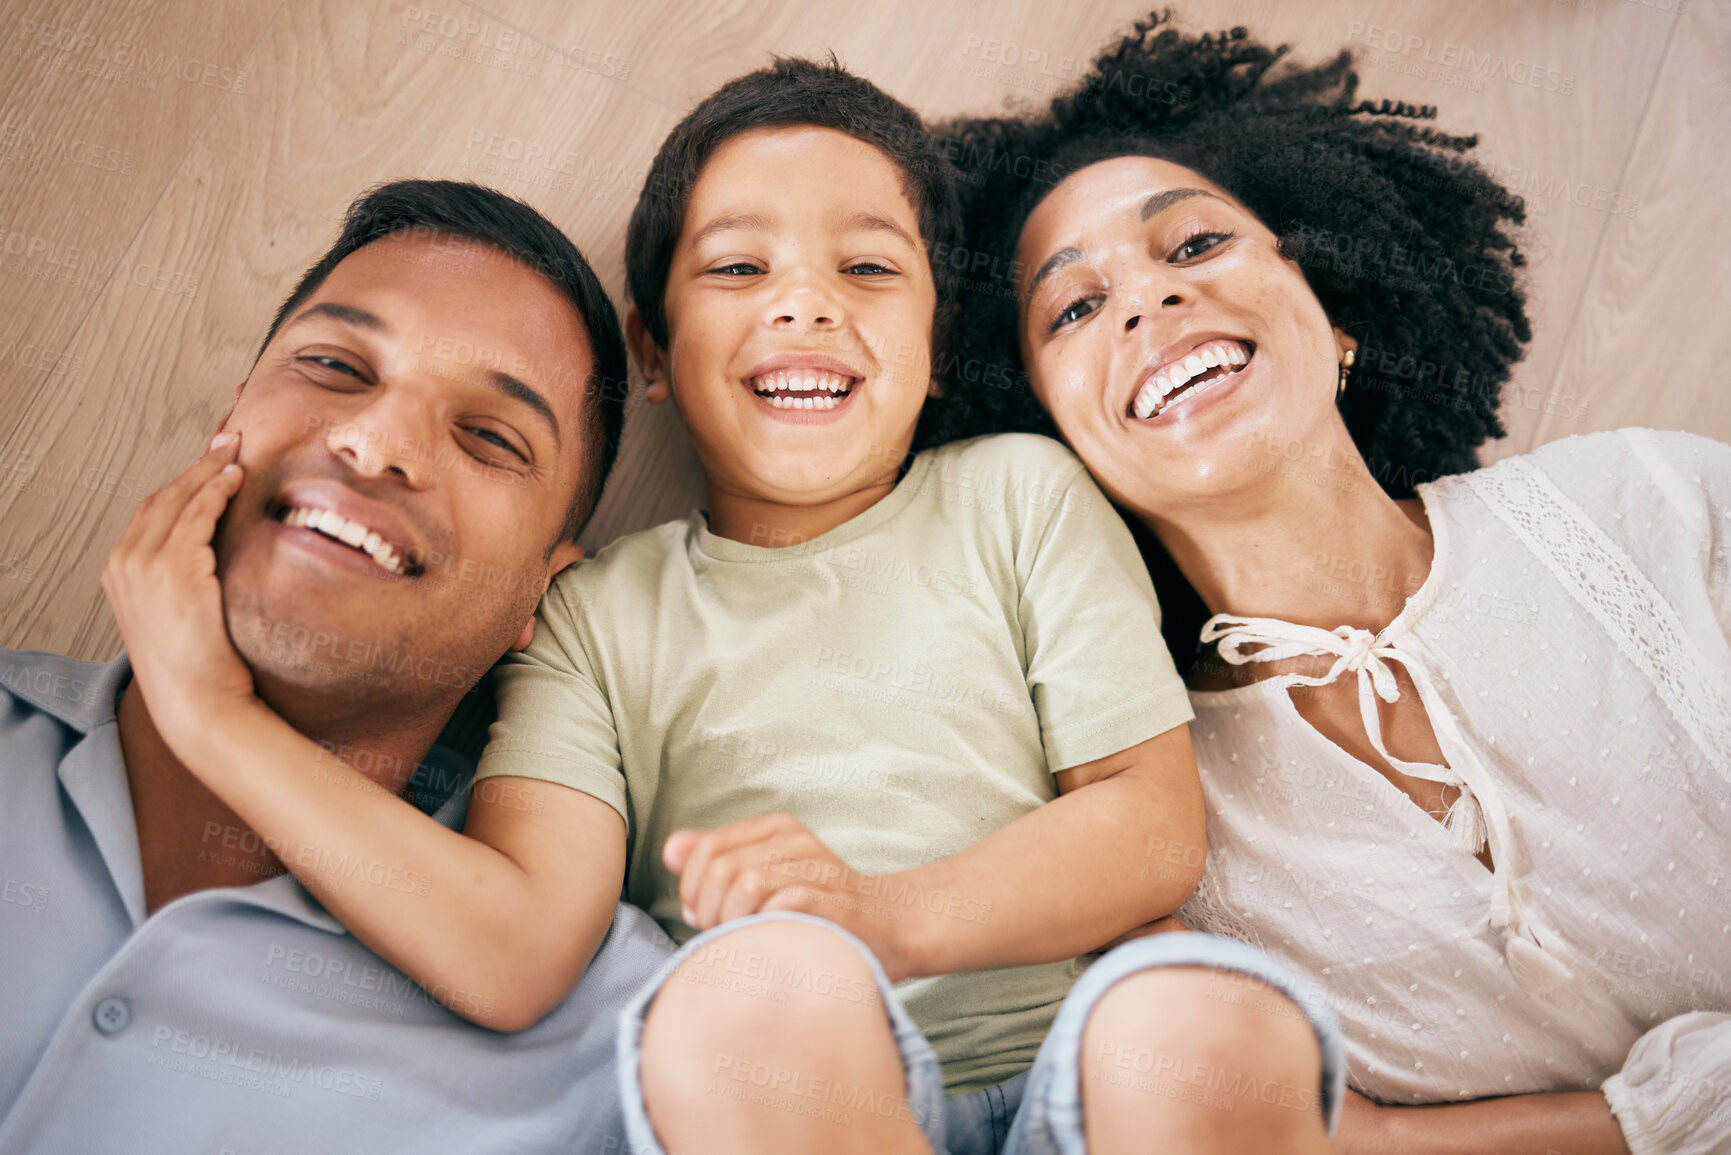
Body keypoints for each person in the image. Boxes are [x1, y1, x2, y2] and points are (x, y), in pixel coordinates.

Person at [107, 58, 1346, 1155]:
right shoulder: (597, 615)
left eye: (867, 268)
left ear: (934, 335)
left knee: (1204, 1014)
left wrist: (886, 914)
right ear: (651, 352)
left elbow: (1148, 831)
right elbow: (514, 947)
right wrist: (214, 715)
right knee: (743, 994)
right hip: (785, 1091)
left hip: (1070, 1070)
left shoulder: (1019, 499)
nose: (805, 303)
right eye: (740, 267)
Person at [932, 13, 1731, 1155]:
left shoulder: (1656, 501)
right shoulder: (1139, 823)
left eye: (1195, 246)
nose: (1150, 303)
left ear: (1334, 304)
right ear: (1046, 437)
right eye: (1074, 309)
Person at [0, 179, 674, 1154]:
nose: (372, 443)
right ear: (229, 419)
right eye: (333, 364)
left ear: (545, 589)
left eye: (489, 436)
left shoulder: (638, 1043)